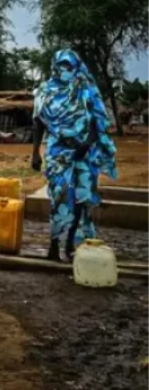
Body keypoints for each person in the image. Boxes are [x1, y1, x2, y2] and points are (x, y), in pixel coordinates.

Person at [31, 50, 118, 261]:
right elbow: (38, 122)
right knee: (58, 196)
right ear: (54, 66)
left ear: (76, 66)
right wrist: (35, 153)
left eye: (69, 66)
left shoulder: (85, 90)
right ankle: (53, 245)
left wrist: (86, 144)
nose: (65, 70)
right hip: (57, 152)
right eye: (61, 65)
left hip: (84, 153)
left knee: (80, 198)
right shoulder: (45, 91)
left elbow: (98, 122)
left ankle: (70, 245)